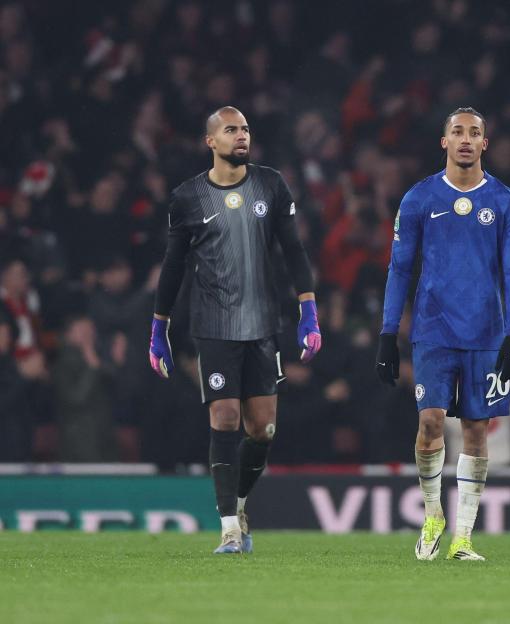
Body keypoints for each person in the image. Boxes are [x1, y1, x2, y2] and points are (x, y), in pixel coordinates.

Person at [148, 106, 322, 554]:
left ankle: (240, 503)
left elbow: (294, 250)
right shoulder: (188, 198)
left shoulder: (271, 184)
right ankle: (228, 527)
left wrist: (308, 310)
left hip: (263, 325)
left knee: (262, 430)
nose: (241, 136)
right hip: (215, 326)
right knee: (224, 418)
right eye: (231, 130)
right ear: (211, 141)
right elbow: (173, 268)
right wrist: (159, 327)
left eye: (244, 129)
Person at [376, 107, 510, 561]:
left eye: (474, 133)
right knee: (430, 422)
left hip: (486, 332)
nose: (465, 139)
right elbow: (400, 267)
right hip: (433, 329)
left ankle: (463, 537)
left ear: (485, 144)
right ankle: (432, 514)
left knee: (477, 431)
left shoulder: (505, 201)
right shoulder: (420, 198)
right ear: (444, 142)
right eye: (457, 132)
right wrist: (387, 334)